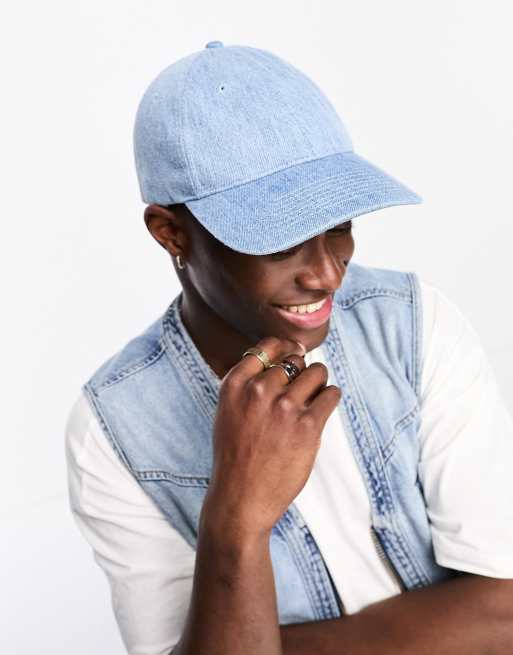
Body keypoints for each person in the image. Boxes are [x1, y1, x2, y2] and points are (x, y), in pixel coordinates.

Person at [65, 42, 513, 655]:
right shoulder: (114, 430)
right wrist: (237, 515)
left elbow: (503, 614)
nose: (326, 274)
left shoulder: (413, 326)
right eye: (279, 242)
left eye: (339, 226)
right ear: (171, 233)